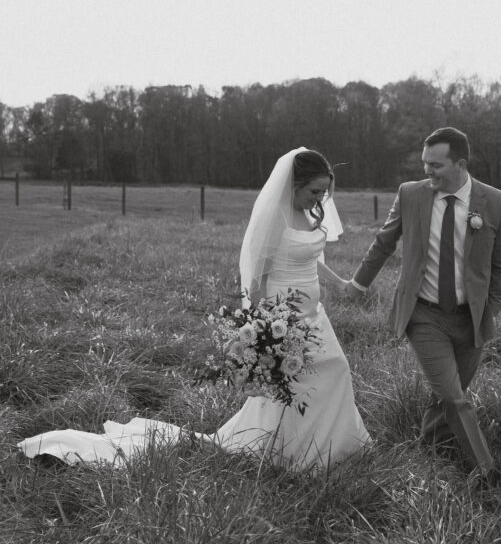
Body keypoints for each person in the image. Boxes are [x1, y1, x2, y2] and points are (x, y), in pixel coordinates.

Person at [18, 149, 371, 472]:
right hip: (283, 317)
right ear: (293, 186)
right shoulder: (275, 219)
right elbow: (259, 278)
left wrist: (341, 283)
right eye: (314, 191)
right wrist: (265, 326)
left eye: (324, 192)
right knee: (296, 382)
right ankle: (298, 454)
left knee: (330, 372)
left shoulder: (310, 214)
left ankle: (328, 448)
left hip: (314, 312)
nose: (321, 198)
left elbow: (311, 256)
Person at [346, 127, 501, 484]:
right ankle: (486, 471)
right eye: (425, 164)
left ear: (460, 164)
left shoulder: (497, 202)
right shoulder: (410, 195)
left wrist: (490, 310)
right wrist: (358, 285)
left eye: (436, 165)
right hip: (424, 315)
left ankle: (430, 451)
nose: (427, 171)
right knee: (454, 397)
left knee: (449, 394)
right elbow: (383, 243)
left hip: (471, 319)